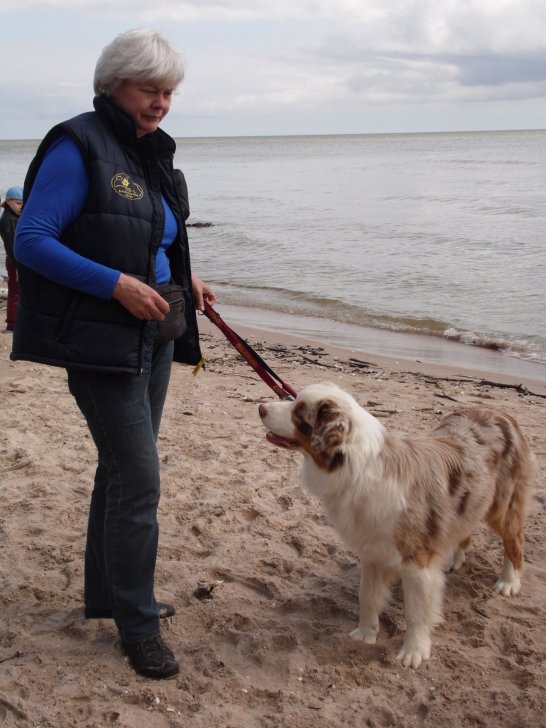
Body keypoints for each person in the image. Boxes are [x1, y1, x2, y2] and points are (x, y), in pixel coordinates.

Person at [12, 28, 217, 680]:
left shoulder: (147, 150)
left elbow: (151, 235)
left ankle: (108, 597)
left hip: (155, 330)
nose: (161, 102)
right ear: (112, 85)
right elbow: (31, 239)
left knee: (121, 472)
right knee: (140, 481)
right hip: (100, 340)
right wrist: (116, 285)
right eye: (149, 89)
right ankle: (139, 625)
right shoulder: (78, 145)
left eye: (169, 91)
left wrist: (184, 276)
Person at [0, 185, 23, 332]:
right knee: (15, 292)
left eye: (23, 203)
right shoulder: (7, 219)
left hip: (19, 260)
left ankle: (16, 322)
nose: (21, 206)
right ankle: (12, 324)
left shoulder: (15, 216)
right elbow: (10, 245)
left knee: (19, 291)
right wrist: (18, 266)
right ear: (8, 201)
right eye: (18, 203)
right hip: (15, 261)